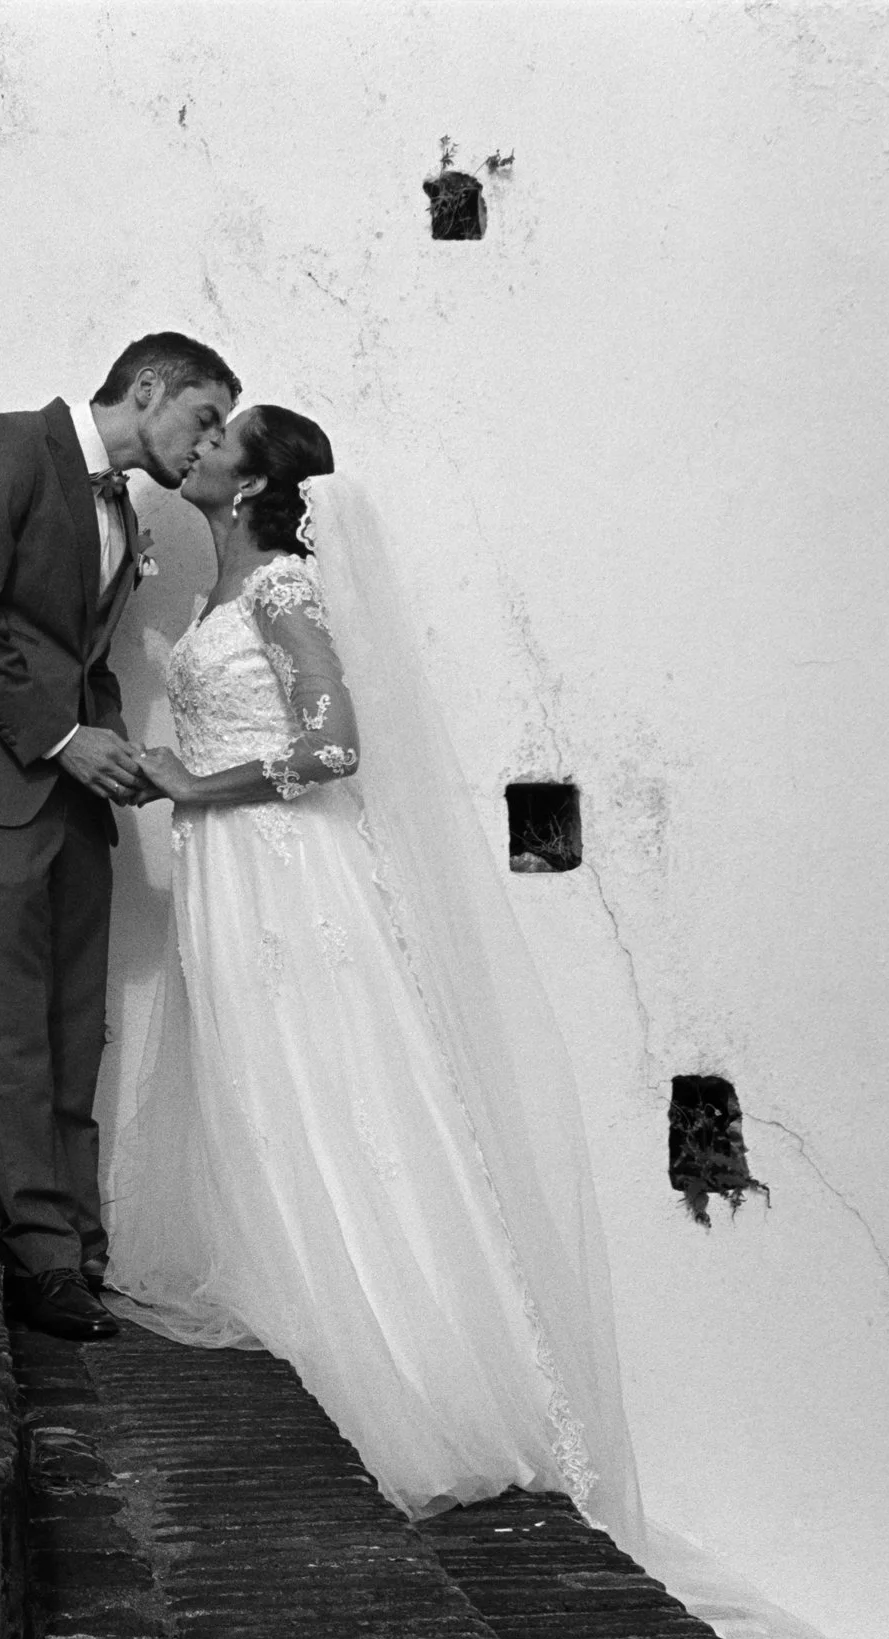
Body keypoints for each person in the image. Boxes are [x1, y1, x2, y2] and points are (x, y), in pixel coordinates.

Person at [105, 404, 646, 1542]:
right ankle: (303, 1299)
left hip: (287, 868)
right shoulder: (221, 590)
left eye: (220, 444)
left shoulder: (282, 589)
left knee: (330, 1077)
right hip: (231, 872)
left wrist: (193, 785)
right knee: (263, 1078)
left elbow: (334, 739)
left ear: (252, 489)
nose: (198, 449)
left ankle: (408, 1362)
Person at [0, 332, 240, 1342]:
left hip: (73, 790)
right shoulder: (4, 447)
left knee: (73, 1017)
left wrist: (112, 753)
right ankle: (38, 1254)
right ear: (146, 388)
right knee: (13, 1018)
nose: (209, 443)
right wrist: (58, 739)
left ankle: (79, 1241)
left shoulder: (124, 506)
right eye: (203, 416)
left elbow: (74, 654)